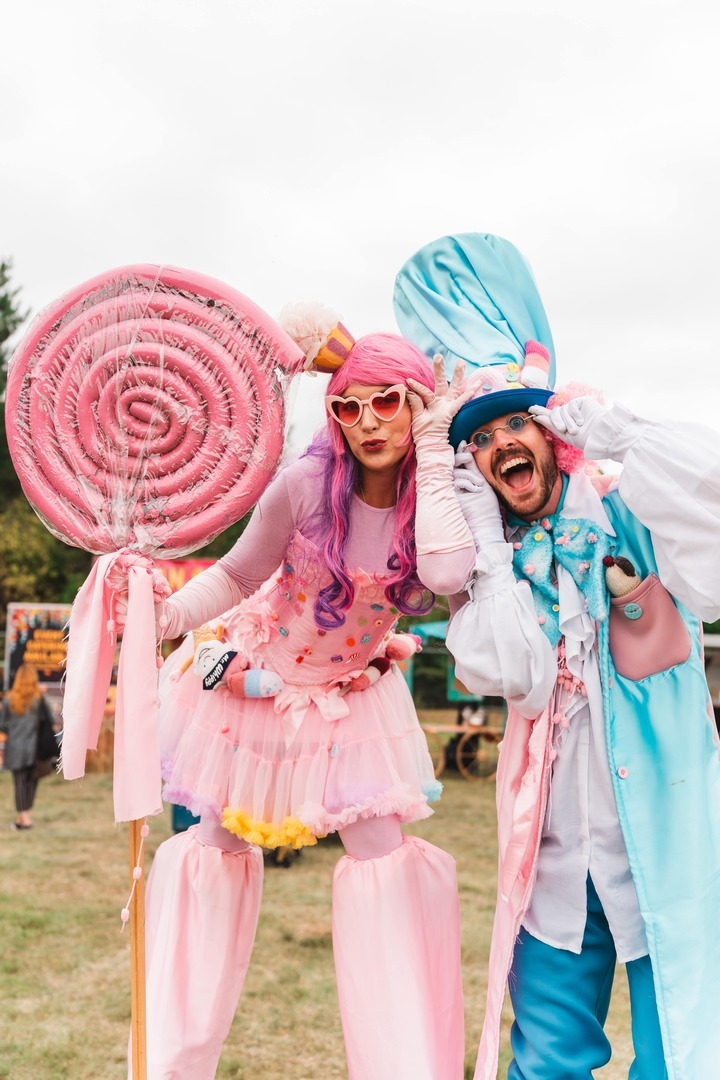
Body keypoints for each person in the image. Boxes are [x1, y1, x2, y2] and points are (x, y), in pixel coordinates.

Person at [394, 232, 720, 1080]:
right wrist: (492, 555)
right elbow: (520, 676)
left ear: (551, 431)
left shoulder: (632, 510)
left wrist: (621, 434)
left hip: (669, 846)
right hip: (556, 865)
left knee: (687, 1057)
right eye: (482, 436)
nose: (503, 443)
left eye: (517, 422)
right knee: (545, 1065)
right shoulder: (487, 573)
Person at [133, 310, 467, 1079]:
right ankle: (168, 1065)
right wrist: (163, 616)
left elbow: (448, 578)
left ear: (419, 403)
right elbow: (237, 575)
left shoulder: (442, 493)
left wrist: (437, 453)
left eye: (387, 402)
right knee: (212, 852)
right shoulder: (306, 485)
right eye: (349, 406)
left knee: (384, 863)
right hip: (251, 690)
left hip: (350, 698)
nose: (366, 422)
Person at [0, 663, 57, 830]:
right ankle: (24, 817)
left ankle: (23, 817)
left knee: (19, 782)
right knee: (32, 781)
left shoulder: (10, 699)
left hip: (15, 748)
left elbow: (2, 725)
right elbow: (51, 721)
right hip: (35, 749)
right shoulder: (38, 699)